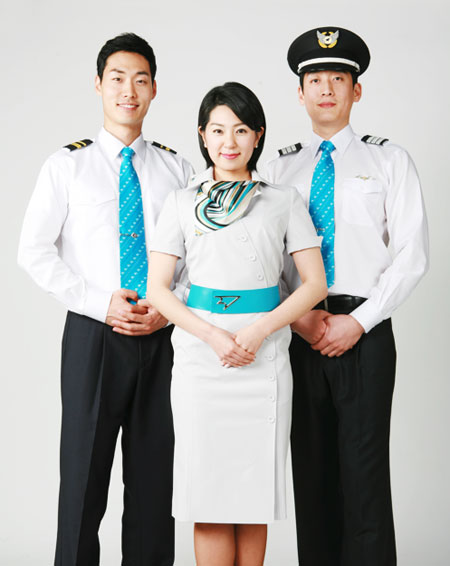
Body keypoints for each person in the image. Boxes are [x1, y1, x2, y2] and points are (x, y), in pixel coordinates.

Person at [18, 33, 192, 566]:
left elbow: (199, 258)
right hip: (94, 336)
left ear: (155, 89)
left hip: (161, 339)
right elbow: (33, 252)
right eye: (117, 78)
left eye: (141, 80)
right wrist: (100, 302)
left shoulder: (177, 169)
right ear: (98, 85)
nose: (128, 90)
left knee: (153, 487)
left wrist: (170, 307)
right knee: (83, 485)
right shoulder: (66, 166)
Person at [264, 26, 429, 566]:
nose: (327, 88)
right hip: (300, 330)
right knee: (310, 471)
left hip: (366, 328)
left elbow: (411, 255)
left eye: (339, 78)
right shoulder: (279, 168)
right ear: (300, 92)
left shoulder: (389, 161)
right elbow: (267, 256)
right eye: (315, 79)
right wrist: (301, 319)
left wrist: (358, 323)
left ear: (357, 91)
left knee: (363, 474)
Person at [147, 82, 327, 566]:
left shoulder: (283, 199)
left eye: (241, 130)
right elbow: (159, 289)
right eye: (218, 129)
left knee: (252, 501)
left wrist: (257, 332)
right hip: (201, 363)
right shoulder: (181, 203)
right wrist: (211, 336)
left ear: (258, 135)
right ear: (203, 136)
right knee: (206, 498)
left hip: (263, 358)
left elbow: (313, 285)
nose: (230, 141)